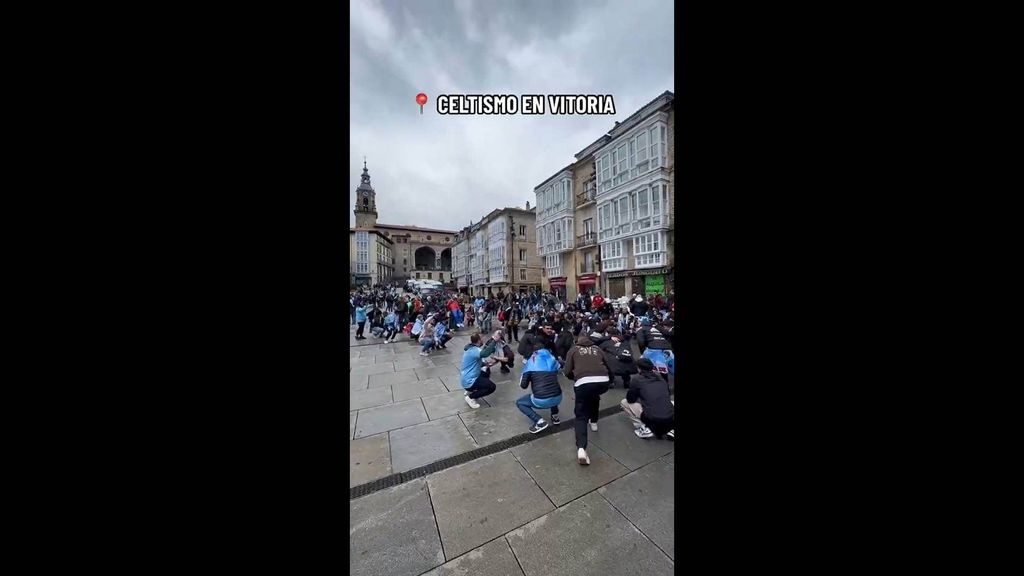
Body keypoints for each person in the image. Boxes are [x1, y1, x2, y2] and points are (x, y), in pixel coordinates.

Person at [563, 333, 612, 465]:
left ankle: (581, 448)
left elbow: (567, 371)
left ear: (576, 341)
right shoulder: (597, 349)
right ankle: (594, 422)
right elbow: (609, 366)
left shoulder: (573, 350)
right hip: (603, 382)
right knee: (594, 396)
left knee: (581, 416)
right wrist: (609, 380)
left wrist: (575, 378)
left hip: (583, 383)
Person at [620, 358, 675, 440]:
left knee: (624, 402)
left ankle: (645, 428)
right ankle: (671, 429)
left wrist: (640, 397)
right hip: (670, 417)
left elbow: (630, 399)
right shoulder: (661, 378)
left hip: (651, 417)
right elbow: (665, 395)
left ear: (639, 368)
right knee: (670, 402)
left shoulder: (636, 379)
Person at [516, 342, 563, 433]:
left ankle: (539, 421)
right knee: (552, 388)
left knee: (520, 403)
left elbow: (523, 386)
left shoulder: (530, 362)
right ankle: (555, 416)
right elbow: (560, 365)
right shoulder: (552, 359)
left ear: (534, 352)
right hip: (558, 397)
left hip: (541, 399)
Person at [459, 333, 498, 408]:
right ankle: (471, 397)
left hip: (466, 378)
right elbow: (485, 353)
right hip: (469, 381)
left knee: (486, 374)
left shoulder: (469, 348)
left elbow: (475, 362)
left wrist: (486, 364)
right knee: (491, 387)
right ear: (479, 340)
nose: (483, 340)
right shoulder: (474, 350)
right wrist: (494, 341)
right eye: (481, 339)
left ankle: (471, 390)